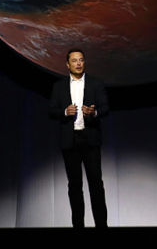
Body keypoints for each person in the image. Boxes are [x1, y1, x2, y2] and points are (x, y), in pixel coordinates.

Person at [49, 48, 109, 228]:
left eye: (81, 60)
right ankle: (78, 227)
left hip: (90, 138)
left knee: (96, 184)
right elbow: (52, 111)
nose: (78, 63)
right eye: (74, 60)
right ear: (67, 64)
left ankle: (101, 226)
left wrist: (94, 112)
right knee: (74, 186)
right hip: (70, 140)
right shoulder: (59, 86)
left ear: (84, 62)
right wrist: (65, 112)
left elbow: (106, 108)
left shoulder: (96, 84)